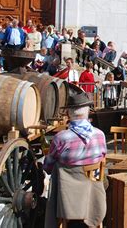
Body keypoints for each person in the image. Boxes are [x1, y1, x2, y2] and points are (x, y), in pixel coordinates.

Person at [43, 93, 107, 227]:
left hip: (68, 199)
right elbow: (103, 157)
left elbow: (48, 166)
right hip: (93, 192)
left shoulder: (61, 138)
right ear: (88, 112)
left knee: (56, 172)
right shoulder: (100, 135)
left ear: (68, 113)